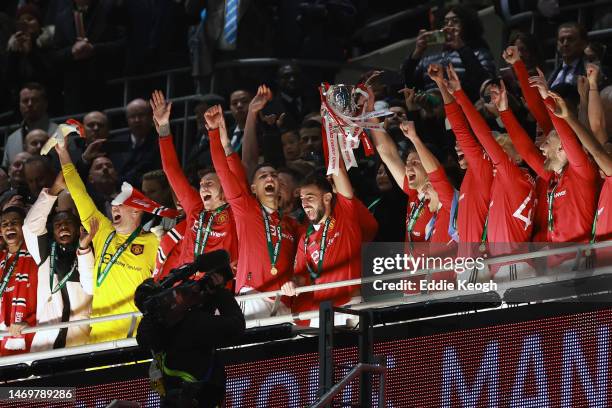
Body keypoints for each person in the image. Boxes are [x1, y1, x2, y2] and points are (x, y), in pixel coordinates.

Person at [56, 137, 159, 344]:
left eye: (120, 204)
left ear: (137, 210)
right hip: (97, 334)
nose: (114, 208)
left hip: (132, 337)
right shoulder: (102, 230)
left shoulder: (155, 242)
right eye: (113, 204)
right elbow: (78, 193)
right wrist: (62, 153)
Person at [207, 104, 299, 318]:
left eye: (274, 175)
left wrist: (296, 281)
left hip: (283, 302)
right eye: (263, 176)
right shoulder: (245, 208)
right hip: (252, 297)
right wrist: (214, 134)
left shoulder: (292, 224)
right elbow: (223, 170)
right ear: (253, 189)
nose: (269, 178)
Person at [447, 64, 536, 280]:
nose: (494, 154)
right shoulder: (501, 180)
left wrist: (461, 96)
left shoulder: (516, 176)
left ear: (517, 157)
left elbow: (484, 137)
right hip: (500, 269)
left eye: (503, 149)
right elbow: (466, 137)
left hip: (514, 269)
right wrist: (452, 97)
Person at [496, 61, 598, 245]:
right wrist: (504, 112)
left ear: (562, 147)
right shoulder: (552, 177)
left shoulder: (582, 172)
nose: (541, 148)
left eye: (547, 142)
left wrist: (546, 98)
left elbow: (566, 137)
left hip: (577, 265)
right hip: (551, 263)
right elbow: (526, 151)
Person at [135, 251, 245, 408]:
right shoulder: (194, 324)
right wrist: (219, 292)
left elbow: (145, 335)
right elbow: (236, 326)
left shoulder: (156, 329)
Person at [282, 160, 377, 326]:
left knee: (354, 352)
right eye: (303, 198)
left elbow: (339, 171)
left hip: (349, 305)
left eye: (310, 198)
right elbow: (301, 277)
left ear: (327, 198)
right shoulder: (305, 238)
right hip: (320, 311)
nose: (304, 204)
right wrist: (291, 284)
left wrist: (331, 137)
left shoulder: (345, 218)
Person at [151, 90, 239, 269]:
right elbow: (171, 170)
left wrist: (215, 134)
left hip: (217, 286)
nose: (203, 187)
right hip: (186, 284)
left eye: (209, 183)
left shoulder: (236, 211)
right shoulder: (195, 208)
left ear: (224, 188)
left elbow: (223, 168)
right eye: (201, 185)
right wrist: (163, 127)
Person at [23, 174, 94, 351]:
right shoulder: (45, 252)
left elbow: (90, 286)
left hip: (78, 341)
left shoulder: (88, 250)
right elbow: (30, 227)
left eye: (68, 223)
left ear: (78, 229)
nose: (63, 227)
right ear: (52, 232)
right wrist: (53, 191)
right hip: (46, 341)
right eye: (58, 224)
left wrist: (84, 250)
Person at [428, 63, 493, 245]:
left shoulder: (482, 166)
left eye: (462, 144)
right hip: (465, 266)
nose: (457, 148)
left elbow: (460, 129)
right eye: (456, 145)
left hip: (481, 264)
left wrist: (446, 87)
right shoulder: (467, 179)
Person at [401, 5, 496, 102]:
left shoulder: (479, 53)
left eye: (455, 21)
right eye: (446, 22)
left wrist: (461, 48)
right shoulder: (428, 59)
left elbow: (485, 85)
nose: (449, 26)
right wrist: (417, 52)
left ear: (468, 25)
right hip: (432, 111)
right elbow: (408, 84)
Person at [53, 0, 125, 113]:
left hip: (105, 86)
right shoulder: (62, 17)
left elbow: (123, 44)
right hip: (75, 92)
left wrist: (94, 49)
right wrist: (71, 51)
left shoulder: (109, 8)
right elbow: (55, 54)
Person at [0, 206, 38, 356]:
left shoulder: (36, 255)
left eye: (14, 222)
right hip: (3, 338)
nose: (9, 226)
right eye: (4, 224)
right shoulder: (1, 259)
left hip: (30, 332)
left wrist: (29, 322)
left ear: (24, 226)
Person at [3, 83, 57, 167]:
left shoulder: (61, 134)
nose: (29, 104)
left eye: (35, 100)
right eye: (25, 101)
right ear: (20, 106)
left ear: (45, 104)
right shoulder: (12, 140)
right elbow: (6, 175)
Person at [110, 98, 161, 187]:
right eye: (132, 116)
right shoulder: (116, 142)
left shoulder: (160, 142)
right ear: (127, 120)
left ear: (151, 117)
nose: (137, 120)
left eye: (141, 115)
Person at [548, 22, 588, 89]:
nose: (565, 44)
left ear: (583, 44)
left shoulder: (591, 73)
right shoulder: (549, 76)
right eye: (561, 40)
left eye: (570, 39)